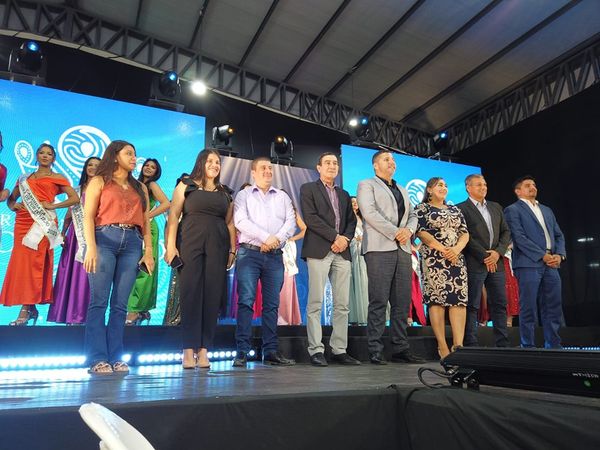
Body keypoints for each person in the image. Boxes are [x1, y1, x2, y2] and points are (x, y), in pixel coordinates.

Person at [83, 140, 154, 374]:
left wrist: (149, 251)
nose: (134, 158)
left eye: (134, 154)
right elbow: (88, 216)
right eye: (128, 154)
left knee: (120, 305)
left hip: (133, 243)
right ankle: (97, 358)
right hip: (104, 238)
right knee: (99, 301)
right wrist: (90, 247)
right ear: (115, 156)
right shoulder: (99, 181)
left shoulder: (140, 187)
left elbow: (145, 221)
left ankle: (116, 356)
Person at [165, 149, 236, 369]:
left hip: (218, 246)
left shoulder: (225, 192)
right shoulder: (186, 185)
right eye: (210, 161)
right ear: (201, 163)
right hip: (190, 243)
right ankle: (188, 350)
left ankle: (204, 350)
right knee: (190, 294)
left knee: (212, 296)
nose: (215, 165)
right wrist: (170, 246)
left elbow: (230, 223)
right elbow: (173, 216)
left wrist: (233, 250)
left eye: (218, 162)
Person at [356, 150, 425, 364]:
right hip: (379, 248)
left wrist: (408, 231)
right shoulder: (366, 184)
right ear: (375, 165)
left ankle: (400, 348)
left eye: (393, 160)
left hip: (403, 249)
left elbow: (413, 215)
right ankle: (375, 349)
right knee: (378, 300)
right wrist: (396, 232)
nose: (392, 162)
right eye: (386, 159)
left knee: (401, 302)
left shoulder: (402, 189)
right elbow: (369, 212)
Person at [0, 143, 79, 325]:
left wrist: (53, 205)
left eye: (49, 154)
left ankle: (26, 309)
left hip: (43, 223)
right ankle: (31, 308)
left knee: (35, 264)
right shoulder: (24, 178)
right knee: (21, 265)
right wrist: (13, 206)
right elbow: (11, 200)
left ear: (53, 158)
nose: (45, 156)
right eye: (42, 153)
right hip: (23, 222)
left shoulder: (58, 177)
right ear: (36, 156)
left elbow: (74, 198)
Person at [232, 157, 296, 367]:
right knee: (246, 301)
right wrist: (266, 238)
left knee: (272, 305)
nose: (268, 171)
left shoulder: (282, 196)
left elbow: (291, 223)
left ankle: (270, 351)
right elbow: (240, 221)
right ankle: (242, 351)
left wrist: (275, 240)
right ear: (253, 172)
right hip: (249, 254)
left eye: (270, 168)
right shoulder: (243, 195)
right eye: (263, 168)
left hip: (275, 256)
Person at [300, 152, 359, 366]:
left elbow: (352, 222)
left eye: (335, 163)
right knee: (315, 302)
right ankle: (316, 350)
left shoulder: (344, 194)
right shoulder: (308, 189)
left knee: (342, 304)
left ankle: (339, 350)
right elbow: (311, 218)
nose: (332, 166)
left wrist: (345, 239)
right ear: (319, 167)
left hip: (342, 251)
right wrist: (335, 237)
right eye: (327, 163)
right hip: (319, 250)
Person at [504, 175, 565, 348]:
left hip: (551, 263)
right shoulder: (512, 210)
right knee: (528, 306)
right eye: (527, 185)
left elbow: (559, 235)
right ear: (518, 191)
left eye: (534, 185)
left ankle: (553, 344)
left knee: (553, 306)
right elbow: (519, 237)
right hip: (528, 263)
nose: (533, 187)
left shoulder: (547, 210)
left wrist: (559, 255)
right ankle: (528, 345)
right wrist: (542, 255)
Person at [414, 177, 469, 359]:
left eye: (445, 185)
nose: (444, 188)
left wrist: (456, 249)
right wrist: (444, 250)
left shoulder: (455, 209)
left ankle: (458, 345)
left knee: (458, 301)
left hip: (456, 259)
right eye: (440, 185)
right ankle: (442, 345)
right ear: (429, 189)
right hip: (434, 259)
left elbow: (464, 233)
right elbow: (421, 233)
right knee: (436, 301)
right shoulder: (422, 209)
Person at [457, 174, 510, 347]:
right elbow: (464, 236)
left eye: (485, 184)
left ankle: (502, 343)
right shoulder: (460, 208)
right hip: (475, 262)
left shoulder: (495, 207)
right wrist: (485, 256)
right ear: (468, 187)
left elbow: (506, 232)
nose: (483, 187)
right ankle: (471, 342)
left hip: (497, 262)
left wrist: (497, 253)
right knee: (472, 304)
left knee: (500, 303)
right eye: (479, 184)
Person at [48, 156, 101, 324]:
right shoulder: (77, 190)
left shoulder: (104, 189)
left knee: (84, 275)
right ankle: (65, 315)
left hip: (92, 235)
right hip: (74, 235)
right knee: (68, 273)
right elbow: (69, 214)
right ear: (85, 168)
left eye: (97, 165)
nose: (92, 167)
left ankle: (79, 316)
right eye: (90, 165)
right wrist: (63, 232)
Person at [126, 158, 170, 325]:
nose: (149, 168)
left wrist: (147, 216)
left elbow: (166, 204)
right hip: (133, 227)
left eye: (153, 167)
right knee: (131, 267)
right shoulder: (134, 183)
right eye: (147, 165)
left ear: (156, 172)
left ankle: (135, 310)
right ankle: (140, 310)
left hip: (147, 229)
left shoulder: (152, 185)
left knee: (144, 269)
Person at [278, 197, 305, 326]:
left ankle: (287, 317)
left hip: (287, 248)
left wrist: (292, 238)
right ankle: (277, 317)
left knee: (287, 279)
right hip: (274, 245)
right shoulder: (272, 210)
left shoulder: (293, 212)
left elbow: (305, 229)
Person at [348, 197, 369, 325]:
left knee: (365, 279)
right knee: (355, 278)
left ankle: (367, 315)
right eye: (352, 202)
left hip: (364, 251)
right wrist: (355, 240)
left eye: (356, 202)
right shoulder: (347, 219)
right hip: (353, 250)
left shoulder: (364, 218)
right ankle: (355, 316)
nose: (355, 204)